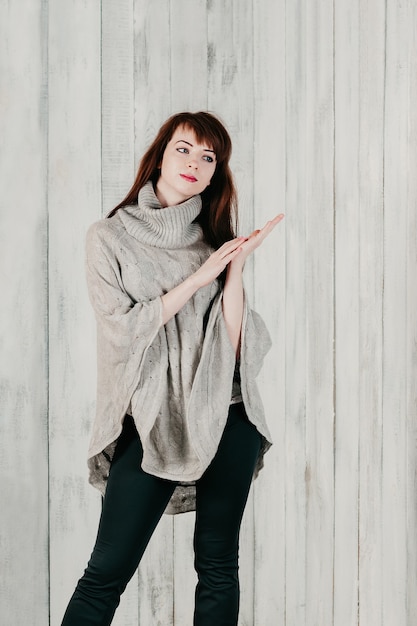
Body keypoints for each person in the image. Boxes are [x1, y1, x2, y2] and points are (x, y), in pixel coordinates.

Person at [61, 111, 284, 626]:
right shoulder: (108, 237)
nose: (195, 163)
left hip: (228, 414)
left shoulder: (212, 241)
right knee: (105, 574)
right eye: (185, 149)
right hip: (155, 419)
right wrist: (199, 276)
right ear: (160, 154)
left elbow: (231, 349)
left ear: (214, 175)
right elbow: (122, 328)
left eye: (209, 158)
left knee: (218, 567)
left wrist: (233, 272)